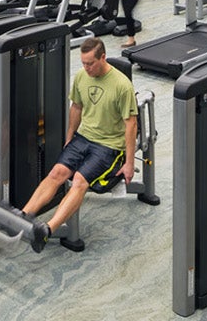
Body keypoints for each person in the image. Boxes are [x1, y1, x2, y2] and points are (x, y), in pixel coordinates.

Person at [19, 38, 137, 250]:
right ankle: (23, 216)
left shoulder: (122, 85)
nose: (86, 68)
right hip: (83, 138)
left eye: (90, 63)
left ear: (103, 57)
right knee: (56, 173)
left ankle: (47, 230)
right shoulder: (82, 76)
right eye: (83, 63)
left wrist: (129, 163)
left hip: (109, 145)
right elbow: (76, 107)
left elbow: (131, 124)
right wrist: (69, 137)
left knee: (80, 181)